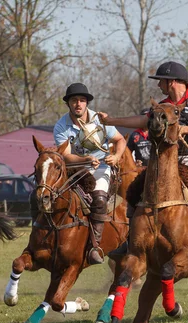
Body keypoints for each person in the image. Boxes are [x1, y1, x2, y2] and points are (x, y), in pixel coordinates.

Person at [99, 61, 188, 254]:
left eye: (161, 81)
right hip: (170, 156)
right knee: (137, 186)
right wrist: (111, 121)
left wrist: (183, 129)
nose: (159, 85)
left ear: (172, 82)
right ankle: (131, 238)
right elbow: (143, 121)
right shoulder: (163, 105)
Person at [53, 83, 127, 265]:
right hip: (75, 168)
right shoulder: (61, 126)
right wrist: (84, 159)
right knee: (51, 195)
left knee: (99, 199)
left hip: (101, 167)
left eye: (82, 100)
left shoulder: (99, 119)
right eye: (74, 100)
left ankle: (95, 246)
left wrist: (116, 156)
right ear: (68, 104)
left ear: (86, 103)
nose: (78, 104)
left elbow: (120, 139)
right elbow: (65, 155)